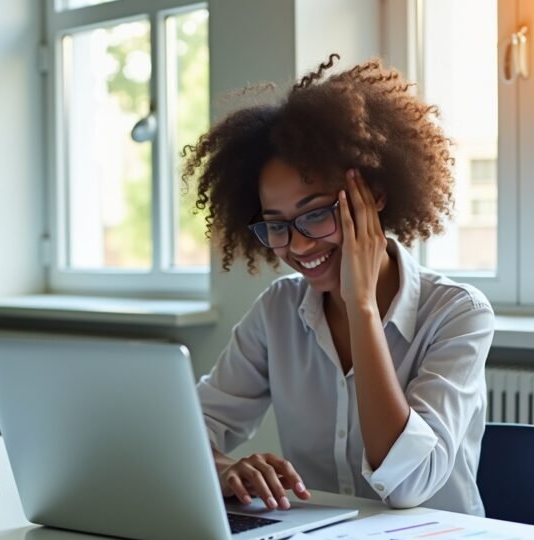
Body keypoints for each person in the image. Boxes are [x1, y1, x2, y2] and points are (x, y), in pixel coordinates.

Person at [182, 55, 495, 516]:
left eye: (315, 214)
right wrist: (224, 467)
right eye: (276, 225)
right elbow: (186, 430)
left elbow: (409, 484)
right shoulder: (278, 312)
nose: (298, 244)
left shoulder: (457, 313)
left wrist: (362, 306)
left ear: (376, 197)